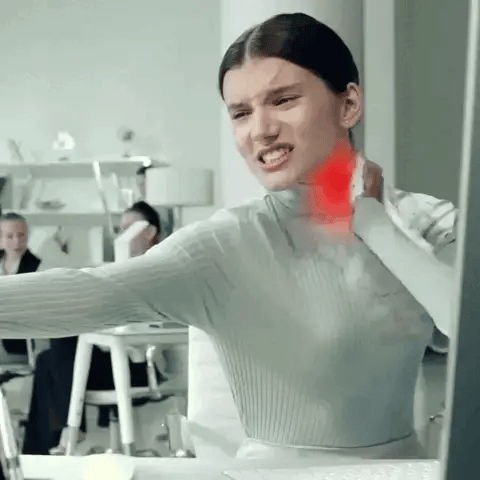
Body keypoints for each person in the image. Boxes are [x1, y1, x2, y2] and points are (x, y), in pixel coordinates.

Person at [0, 13, 457, 463]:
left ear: (349, 104)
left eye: (283, 100)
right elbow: (95, 291)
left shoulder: (422, 222)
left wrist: (375, 225)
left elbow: (467, 324)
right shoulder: (223, 245)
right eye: (241, 113)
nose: (261, 129)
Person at [22, 201, 167, 455]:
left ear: (150, 232)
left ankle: (68, 433)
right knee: (47, 359)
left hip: (142, 365)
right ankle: (43, 454)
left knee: (61, 344)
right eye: (120, 229)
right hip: (115, 356)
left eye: (129, 228)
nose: (122, 235)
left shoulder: (159, 269)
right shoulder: (122, 269)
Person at [0, 212, 40, 355]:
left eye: (21, 235)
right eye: (10, 236)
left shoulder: (36, 266)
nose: (17, 242)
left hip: (18, 334)